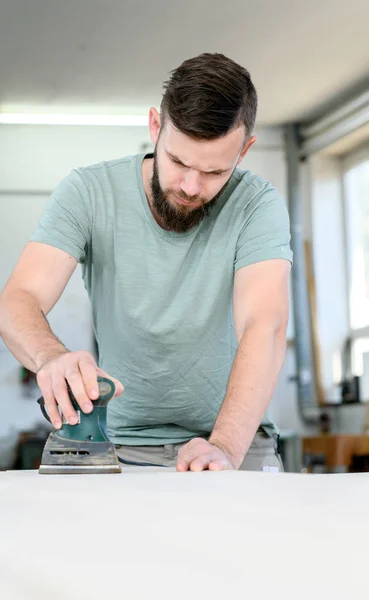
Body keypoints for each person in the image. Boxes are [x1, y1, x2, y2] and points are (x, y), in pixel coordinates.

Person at [0, 53, 292, 472]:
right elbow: (18, 298)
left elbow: (264, 324)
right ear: (155, 126)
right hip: (121, 449)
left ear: (244, 150)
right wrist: (50, 356)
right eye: (178, 162)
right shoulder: (88, 192)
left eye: (213, 172)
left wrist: (225, 447)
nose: (190, 187)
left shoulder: (257, 205)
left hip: (234, 443)